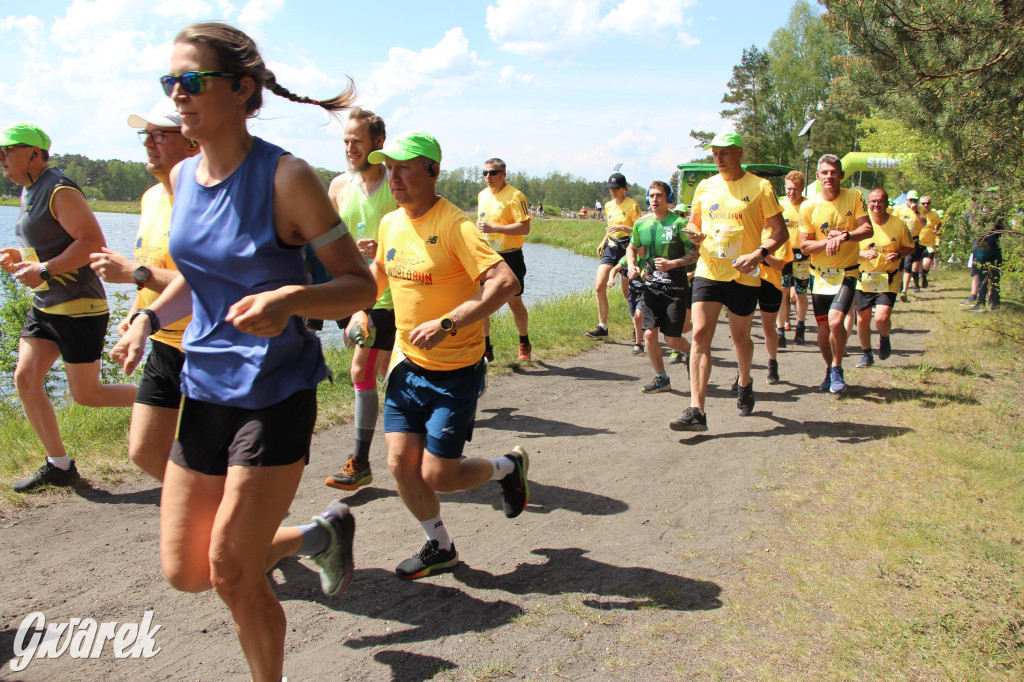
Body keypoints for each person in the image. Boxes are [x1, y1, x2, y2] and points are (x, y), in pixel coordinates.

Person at [108, 23, 377, 682]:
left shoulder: (286, 177)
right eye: (169, 82)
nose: (177, 95)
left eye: (191, 81)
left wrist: (287, 300)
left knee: (231, 570)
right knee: (186, 571)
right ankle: (319, 535)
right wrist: (146, 315)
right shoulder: (183, 178)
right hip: (204, 390)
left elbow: (357, 284)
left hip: (275, 394)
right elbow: (199, 279)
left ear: (242, 90)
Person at [366, 131, 529, 580]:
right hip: (406, 365)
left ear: (433, 172)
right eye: (389, 168)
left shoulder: (455, 225)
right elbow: (380, 274)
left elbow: (504, 283)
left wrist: (448, 322)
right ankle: (439, 545)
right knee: (400, 463)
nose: (393, 177)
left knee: (438, 474)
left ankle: (506, 468)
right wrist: (362, 311)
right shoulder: (390, 222)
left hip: (455, 370)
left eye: (404, 167)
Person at [0, 122, 138, 493]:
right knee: (25, 379)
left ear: (33, 153)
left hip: (80, 307)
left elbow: (92, 242)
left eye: (5, 151)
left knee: (87, 395)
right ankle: (59, 465)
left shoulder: (58, 188)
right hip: (47, 306)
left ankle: (170, 398)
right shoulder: (29, 190)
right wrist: (24, 257)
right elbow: (53, 242)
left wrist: (43, 269)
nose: (1, 159)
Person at [87, 99, 199, 482]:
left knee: (212, 457)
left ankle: (220, 523)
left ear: (192, 144)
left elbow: (211, 286)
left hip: (208, 347)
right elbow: (159, 267)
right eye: (145, 136)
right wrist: (137, 312)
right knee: (145, 450)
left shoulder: (205, 202)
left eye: (160, 135)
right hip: (164, 341)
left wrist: (135, 274)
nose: (149, 143)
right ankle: (208, 513)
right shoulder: (151, 197)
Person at [668, 132, 787, 432]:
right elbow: (694, 220)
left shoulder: (760, 186)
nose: (718, 159)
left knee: (739, 337)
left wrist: (759, 254)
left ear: (739, 153)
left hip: (744, 273)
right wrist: (693, 231)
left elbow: (780, 232)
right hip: (709, 269)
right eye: (714, 154)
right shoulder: (706, 187)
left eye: (724, 153)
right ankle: (697, 410)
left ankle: (745, 381)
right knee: (700, 336)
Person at [322, 108, 399, 492]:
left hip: (389, 296)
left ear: (378, 143)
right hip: (351, 294)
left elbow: (415, 232)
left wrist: (383, 246)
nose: (350, 148)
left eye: (357, 141)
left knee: (360, 371)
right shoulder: (339, 187)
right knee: (380, 373)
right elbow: (324, 241)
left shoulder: (395, 185)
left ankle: (361, 462)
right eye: (346, 142)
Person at [798, 154, 873, 394]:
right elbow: (804, 246)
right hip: (819, 277)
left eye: (834, 172)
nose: (829, 176)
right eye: (825, 172)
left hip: (847, 273)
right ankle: (829, 368)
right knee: (822, 329)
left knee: (836, 321)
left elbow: (867, 229)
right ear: (818, 177)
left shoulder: (854, 197)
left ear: (841, 175)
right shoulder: (809, 206)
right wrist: (826, 242)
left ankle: (838, 367)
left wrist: (844, 236)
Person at [626, 181, 697, 394]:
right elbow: (631, 247)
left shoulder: (678, 224)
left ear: (668, 199)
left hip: (675, 289)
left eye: (659, 196)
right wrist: (631, 265)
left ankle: (694, 355)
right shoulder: (641, 224)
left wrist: (673, 264)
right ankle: (661, 378)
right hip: (651, 288)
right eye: (651, 195)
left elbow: (695, 252)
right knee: (649, 335)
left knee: (672, 339)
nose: (654, 200)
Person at [476, 157, 532, 362]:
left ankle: (524, 342)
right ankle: (486, 348)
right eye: (485, 173)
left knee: (514, 301)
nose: (488, 177)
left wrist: (495, 229)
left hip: (510, 256)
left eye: (493, 173)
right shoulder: (482, 195)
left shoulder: (515, 196)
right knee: (482, 302)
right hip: (486, 255)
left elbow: (525, 228)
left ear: (504, 174)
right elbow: (480, 222)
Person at [854, 188, 914, 368]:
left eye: (880, 201)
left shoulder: (898, 224)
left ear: (887, 203)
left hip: (888, 278)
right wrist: (862, 253)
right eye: (872, 201)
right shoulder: (860, 224)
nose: (876, 204)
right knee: (863, 318)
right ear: (867, 203)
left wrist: (898, 255)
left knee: (881, 318)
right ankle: (866, 354)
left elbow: (910, 247)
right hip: (864, 278)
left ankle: (884, 337)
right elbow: (847, 249)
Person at [587, 172, 641, 339]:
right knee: (599, 286)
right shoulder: (609, 205)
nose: (613, 191)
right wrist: (603, 241)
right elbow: (611, 227)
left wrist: (625, 229)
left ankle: (637, 326)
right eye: (610, 188)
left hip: (628, 247)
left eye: (616, 188)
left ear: (624, 188)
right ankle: (603, 326)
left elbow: (640, 231)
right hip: (611, 247)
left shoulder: (632, 205)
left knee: (627, 292)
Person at [779, 170, 810, 345]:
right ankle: (781, 330)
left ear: (802, 189)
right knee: (782, 293)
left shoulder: (809, 205)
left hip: (802, 255)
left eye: (796, 189)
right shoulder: (780, 204)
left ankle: (800, 325)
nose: (792, 192)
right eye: (789, 188)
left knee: (800, 293)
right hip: (783, 253)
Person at [896, 190, 926, 300]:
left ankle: (904, 290)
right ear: (907, 200)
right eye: (911, 200)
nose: (913, 202)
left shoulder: (921, 210)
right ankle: (898, 283)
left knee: (908, 265)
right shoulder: (899, 209)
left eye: (915, 200)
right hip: (900, 240)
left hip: (913, 240)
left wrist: (916, 212)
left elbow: (923, 224)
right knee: (899, 265)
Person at [917, 195, 941, 285]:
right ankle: (916, 285)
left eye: (928, 203)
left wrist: (936, 229)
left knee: (927, 264)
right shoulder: (916, 213)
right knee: (917, 263)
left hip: (929, 242)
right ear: (920, 204)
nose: (926, 205)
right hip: (917, 242)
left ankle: (924, 275)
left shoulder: (934, 214)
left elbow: (939, 223)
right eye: (924, 203)